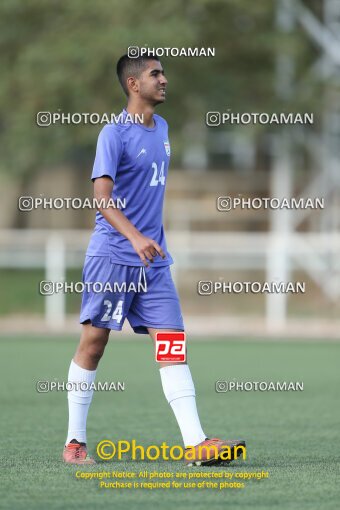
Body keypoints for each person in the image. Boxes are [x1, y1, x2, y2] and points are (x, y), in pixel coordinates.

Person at [62, 53, 245, 466]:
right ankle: (74, 444)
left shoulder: (162, 127)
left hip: (154, 262)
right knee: (93, 345)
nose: (164, 79)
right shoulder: (113, 134)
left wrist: (149, 241)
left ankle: (195, 443)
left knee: (172, 343)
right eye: (155, 74)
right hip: (113, 256)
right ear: (133, 84)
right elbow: (102, 199)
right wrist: (135, 236)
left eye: (163, 72)